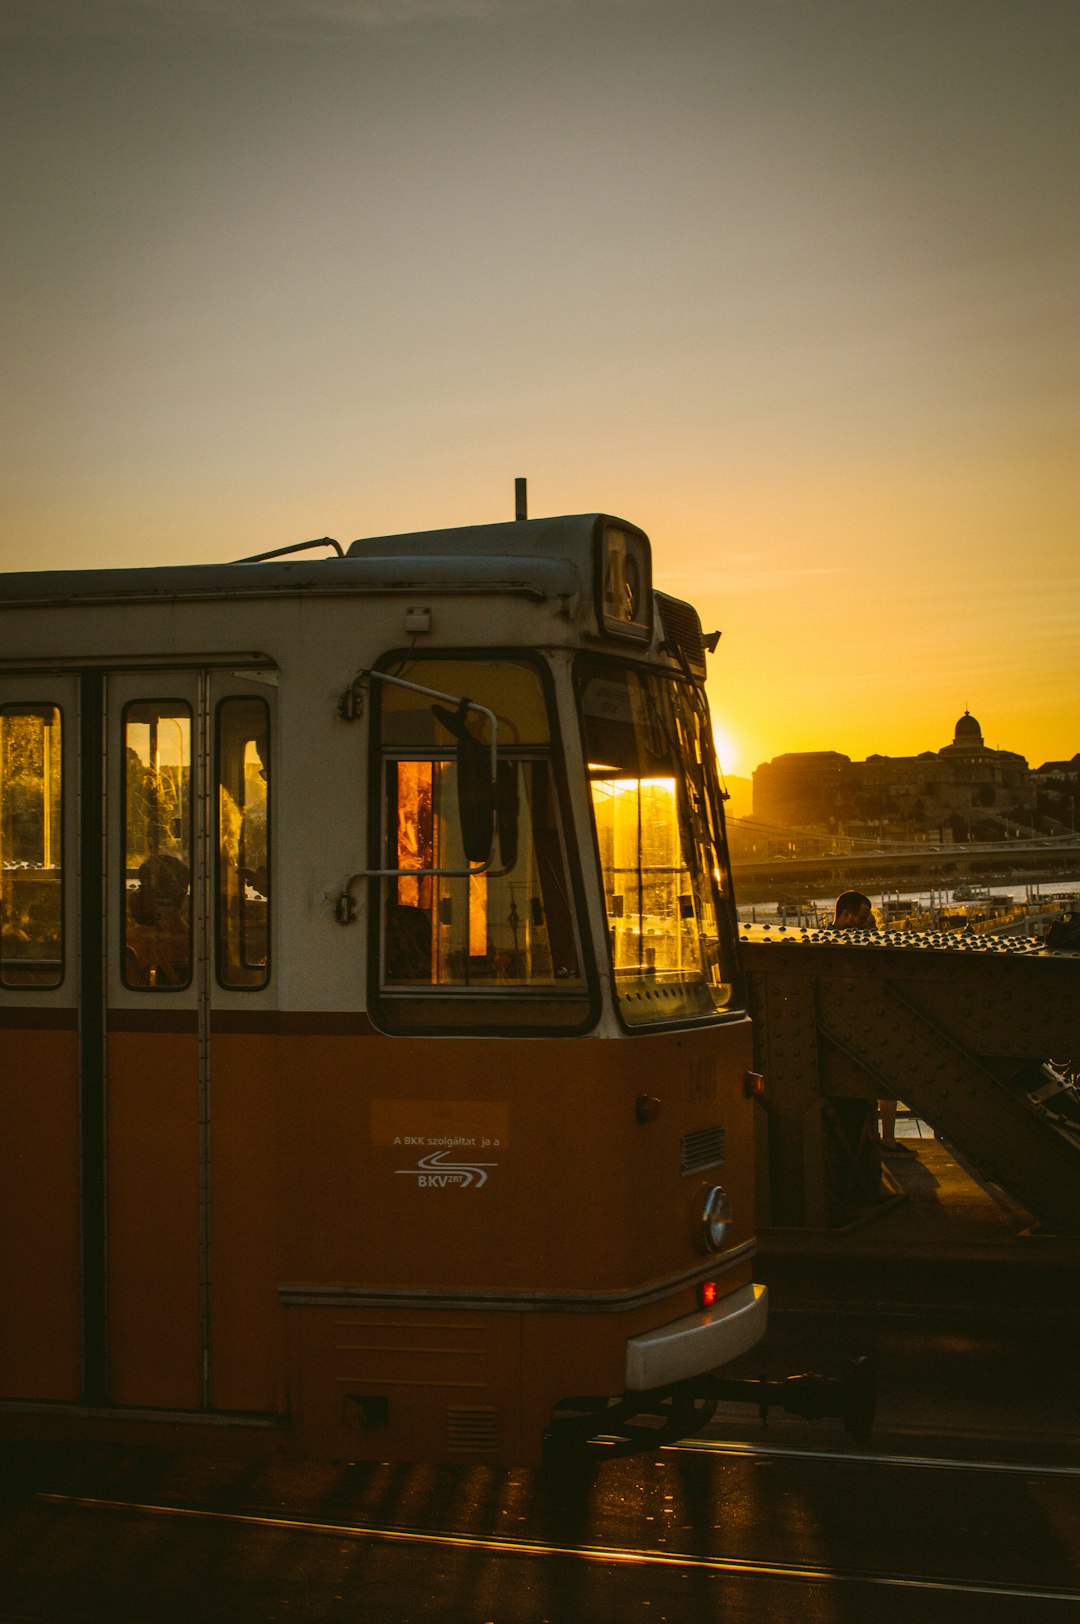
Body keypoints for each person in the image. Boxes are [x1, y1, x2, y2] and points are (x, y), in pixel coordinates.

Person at [832, 890, 917, 1157]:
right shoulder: (839, 944)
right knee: (886, 1081)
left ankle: (881, 1141)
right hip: (850, 1035)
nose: (864, 923)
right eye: (862, 917)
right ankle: (885, 1142)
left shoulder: (837, 940)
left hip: (855, 1030)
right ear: (846, 914)